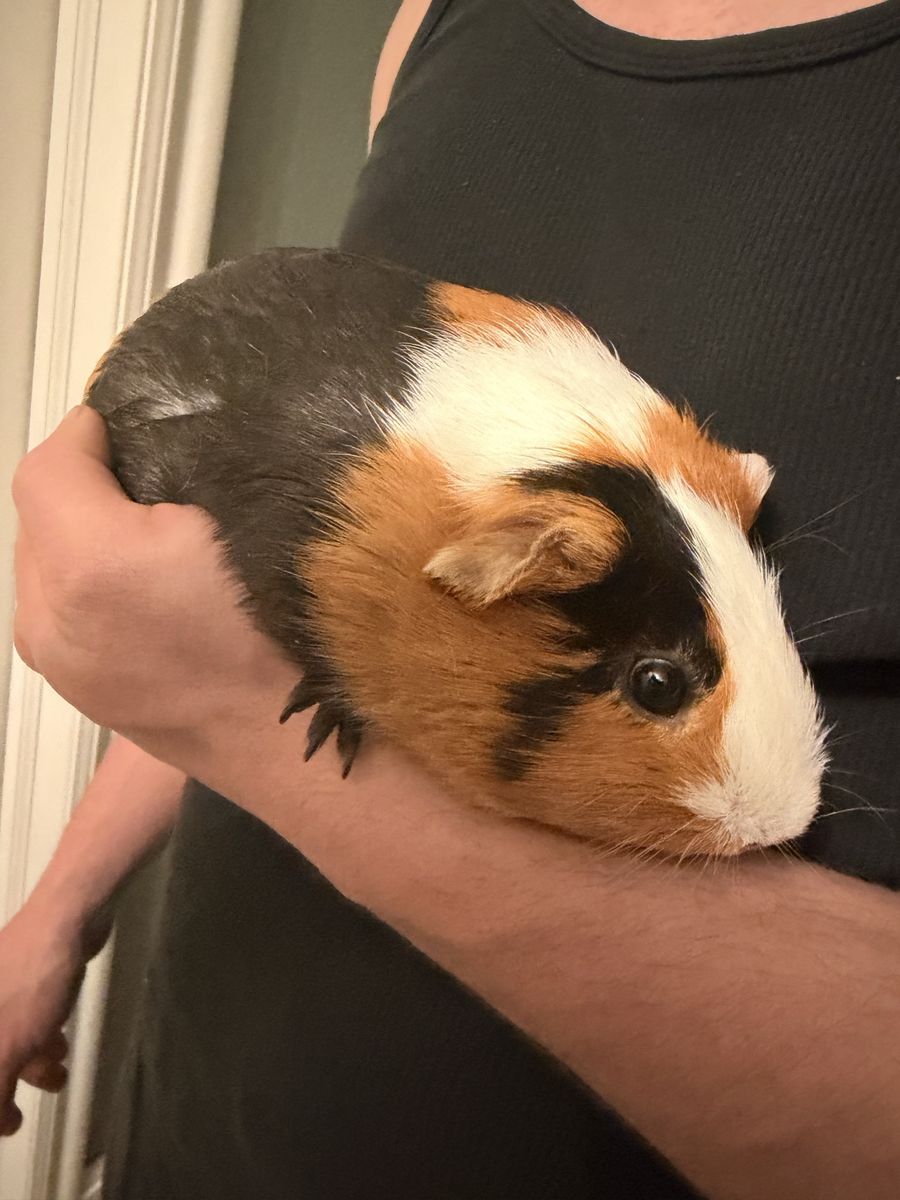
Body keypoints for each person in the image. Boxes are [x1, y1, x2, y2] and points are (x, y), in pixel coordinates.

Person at [4, 1, 900, 1197]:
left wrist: (245, 726)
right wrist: (57, 909)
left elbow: (231, 688)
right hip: (224, 1105)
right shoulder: (442, 20)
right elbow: (248, 591)